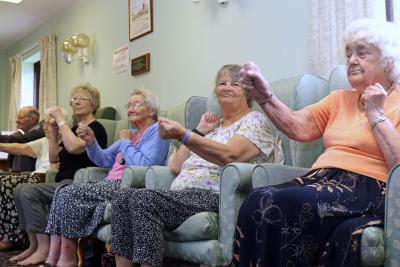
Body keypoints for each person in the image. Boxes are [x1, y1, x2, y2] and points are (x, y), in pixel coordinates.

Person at [232, 18, 400, 267]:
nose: (352, 60)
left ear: (388, 59)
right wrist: (265, 97)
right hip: (322, 179)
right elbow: (297, 126)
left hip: (370, 185)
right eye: (348, 53)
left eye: (362, 53)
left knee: (290, 203)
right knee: (257, 198)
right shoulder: (339, 99)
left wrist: (376, 114)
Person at [110, 64, 284, 267]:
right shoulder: (212, 128)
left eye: (235, 84)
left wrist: (184, 134)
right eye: (221, 83)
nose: (227, 87)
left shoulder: (254, 120)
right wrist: (199, 131)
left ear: (247, 92)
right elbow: (175, 165)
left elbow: (230, 154)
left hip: (213, 195)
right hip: (182, 194)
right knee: (122, 197)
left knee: (143, 199)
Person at [43, 89, 171, 267]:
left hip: (132, 187)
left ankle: (67, 258)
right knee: (63, 191)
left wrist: (126, 142)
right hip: (111, 184)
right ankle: (61, 255)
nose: (130, 109)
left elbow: (145, 164)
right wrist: (91, 142)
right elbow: (103, 160)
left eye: (136, 104)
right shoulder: (130, 134)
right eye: (129, 105)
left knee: (68, 193)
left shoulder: (157, 131)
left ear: (151, 111)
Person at [11, 83, 107, 266]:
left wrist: (62, 121)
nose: (76, 101)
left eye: (82, 98)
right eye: (74, 98)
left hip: (77, 183)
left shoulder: (96, 128)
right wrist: (54, 132)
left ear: (93, 104)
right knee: (19, 189)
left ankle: (44, 249)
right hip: (61, 180)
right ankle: (34, 245)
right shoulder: (72, 129)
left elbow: (74, 147)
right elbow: (54, 157)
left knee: (28, 192)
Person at [0, 111, 72, 251]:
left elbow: (57, 168)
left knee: (7, 183)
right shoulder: (44, 141)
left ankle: (12, 238)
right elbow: (19, 148)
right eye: (45, 123)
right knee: (3, 180)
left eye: (50, 124)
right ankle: (6, 234)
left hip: (44, 179)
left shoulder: (67, 142)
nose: (45, 127)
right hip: (33, 177)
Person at [0, 106, 45, 172]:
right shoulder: (22, 135)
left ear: (32, 119)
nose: (16, 121)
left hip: (30, 177)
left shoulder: (39, 132)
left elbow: (12, 140)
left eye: (20, 118)